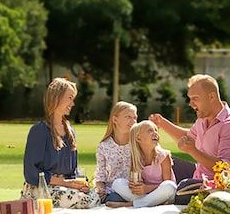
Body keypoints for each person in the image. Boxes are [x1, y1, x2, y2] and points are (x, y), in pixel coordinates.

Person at [149, 74, 230, 204]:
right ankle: (150, 196)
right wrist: (162, 123)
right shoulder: (203, 119)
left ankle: (156, 199)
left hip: (221, 189)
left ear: (212, 97)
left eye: (195, 98)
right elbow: (188, 139)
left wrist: (193, 151)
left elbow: (225, 169)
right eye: (190, 99)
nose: (191, 104)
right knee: (165, 161)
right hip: (200, 176)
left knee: (182, 188)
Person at [21, 78, 100, 209]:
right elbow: (31, 173)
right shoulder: (39, 131)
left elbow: (73, 170)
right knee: (86, 201)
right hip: (41, 189)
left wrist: (80, 184)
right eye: (69, 98)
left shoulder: (70, 131)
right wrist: (66, 183)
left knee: (95, 196)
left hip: (65, 187)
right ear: (56, 98)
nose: (72, 103)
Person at [109, 120, 177, 207]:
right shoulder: (135, 158)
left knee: (169, 186)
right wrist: (134, 186)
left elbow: (167, 182)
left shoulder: (164, 156)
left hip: (164, 193)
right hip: (146, 194)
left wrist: (147, 188)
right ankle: (149, 202)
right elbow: (136, 182)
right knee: (117, 183)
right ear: (138, 138)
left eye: (156, 130)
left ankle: (131, 204)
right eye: (150, 130)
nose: (155, 133)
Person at [94, 101, 136, 204]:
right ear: (115, 119)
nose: (133, 121)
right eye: (128, 117)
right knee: (113, 198)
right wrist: (101, 189)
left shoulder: (138, 143)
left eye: (134, 117)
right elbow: (100, 176)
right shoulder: (104, 146)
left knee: (116, 198)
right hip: (113, 192)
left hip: (134, 191)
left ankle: (130, 203)